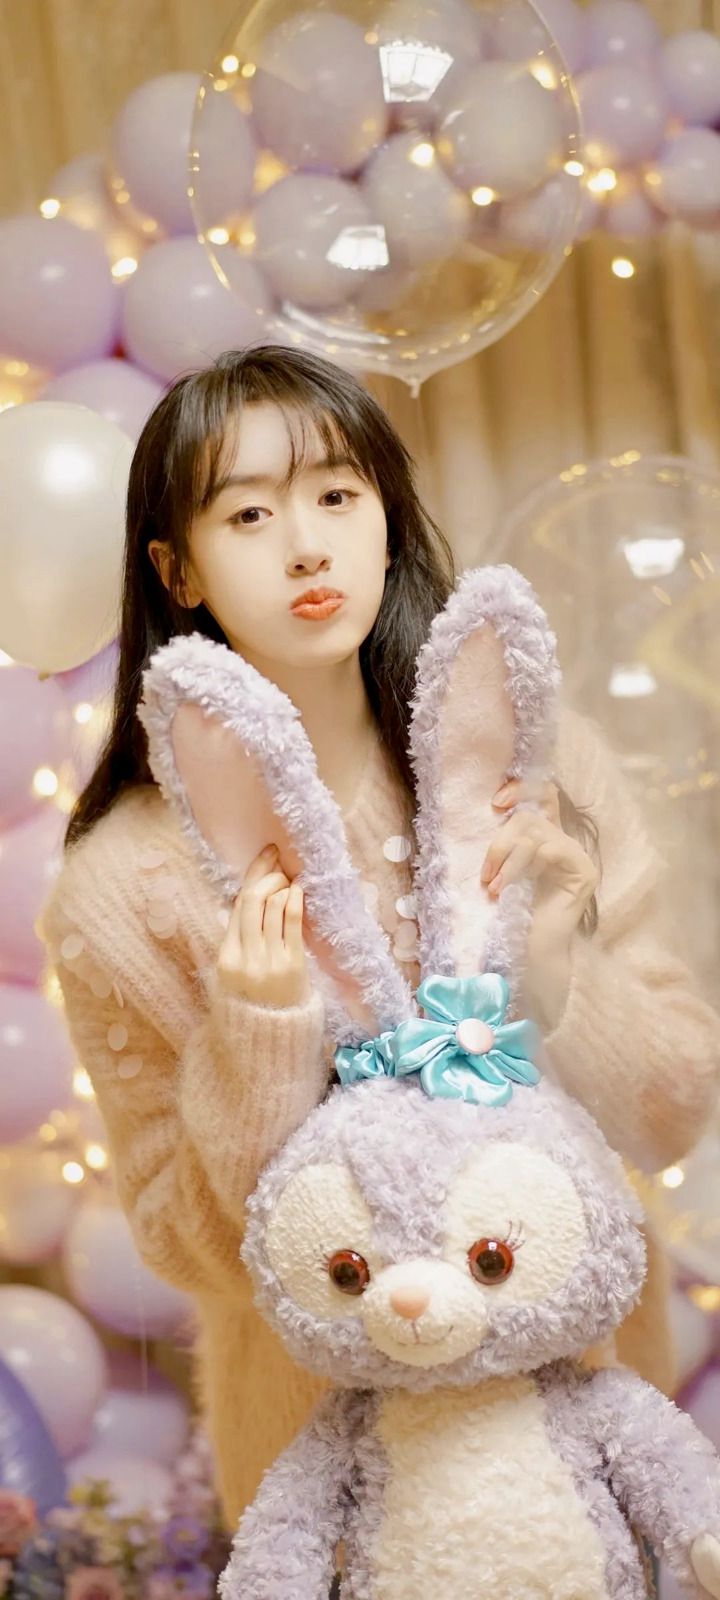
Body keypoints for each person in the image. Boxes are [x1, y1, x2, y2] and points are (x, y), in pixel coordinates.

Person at [41, 346, 720, 1532]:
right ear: (176, 569)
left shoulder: (532, 770)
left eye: (337, 495)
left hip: (590, 1458)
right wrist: (258, 1042)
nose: (307, 546)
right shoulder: (121, 886)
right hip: (337, 1491)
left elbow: (670, 1117)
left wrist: (560, 976)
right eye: (249, 514)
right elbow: (191, 1252)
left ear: (388, 519)